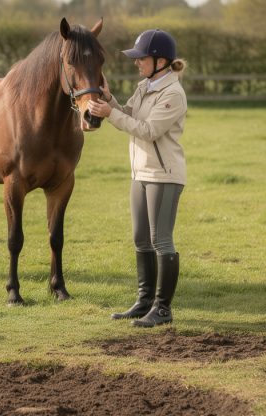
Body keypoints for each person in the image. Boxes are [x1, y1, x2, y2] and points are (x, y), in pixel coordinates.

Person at [87, 29, 187, 328]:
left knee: (161, 240)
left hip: (163, 176)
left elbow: (148, 130)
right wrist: (110, 100)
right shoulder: (145, 86)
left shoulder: (172, 93)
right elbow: (129, 114)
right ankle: (144, 303)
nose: (136, 63)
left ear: (160, 61)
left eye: (141, 58)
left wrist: (109, 113)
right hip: (140, 173)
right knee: (141, 239)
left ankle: (162, 309)